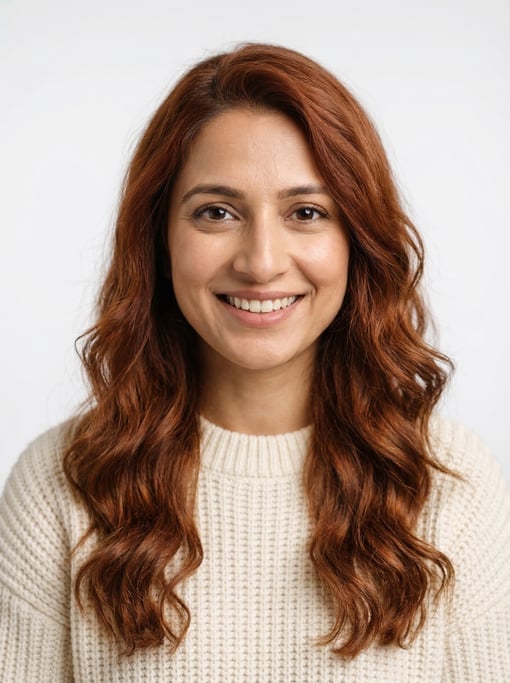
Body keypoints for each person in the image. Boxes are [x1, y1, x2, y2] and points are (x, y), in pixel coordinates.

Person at [1, 43, 509, 682]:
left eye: (307, 212)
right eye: (217, 212)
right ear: (158, 240)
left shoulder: (451, 484)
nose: (262, 261)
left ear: (359, 242)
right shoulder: (59, 486)